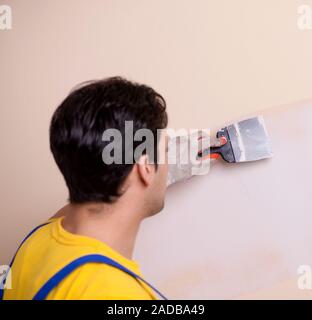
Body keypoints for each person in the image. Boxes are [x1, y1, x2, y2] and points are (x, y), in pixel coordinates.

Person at [2, 77, 222, 300]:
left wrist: (157, 165)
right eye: (166, 151)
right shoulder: (116, 294)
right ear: (145, 167)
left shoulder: (38, 240)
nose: (168, 160)